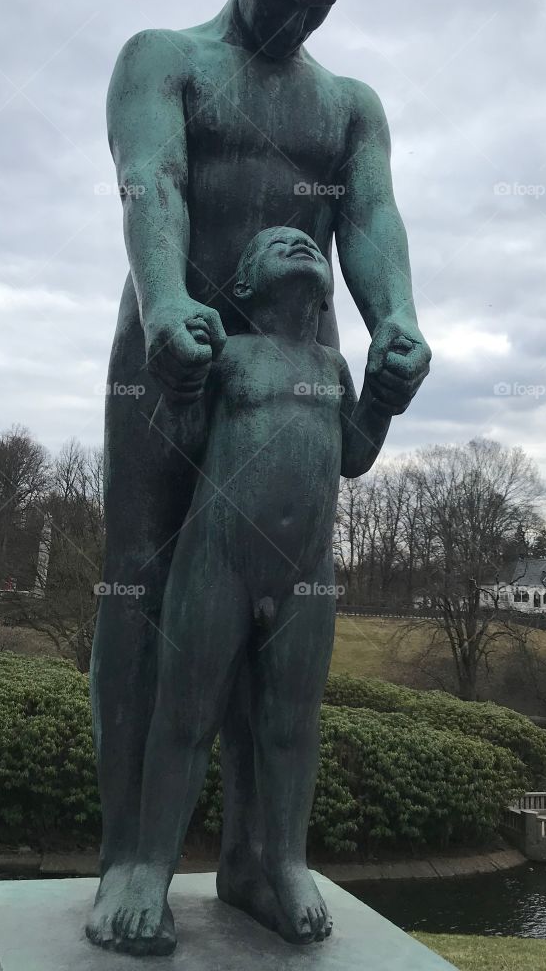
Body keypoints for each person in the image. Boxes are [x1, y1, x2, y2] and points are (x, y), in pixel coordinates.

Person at [89, 0, 431, 953]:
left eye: (316, 8)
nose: (295, 23)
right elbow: (156, 180)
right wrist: (165, 302)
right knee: (142, 588)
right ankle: (132, 857)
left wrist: (397, 323)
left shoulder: (349, 107)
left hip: (296, 371)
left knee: (285, 613)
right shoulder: (164, 59)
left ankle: (258, 858)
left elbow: (369, 217)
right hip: (167, 353)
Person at [121, 227, 395, 952]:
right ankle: (150, 872)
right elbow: (174, 440)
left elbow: (356, 456)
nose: (303, 245)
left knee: (290, 726)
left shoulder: (332, 366)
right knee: (186, 718)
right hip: (218, 562)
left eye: (309, 243)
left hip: (306, 574)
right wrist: (181, 375)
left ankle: (285, 863)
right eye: (279, 244)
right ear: (242, 287)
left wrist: (384, 395)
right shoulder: (230, 355)